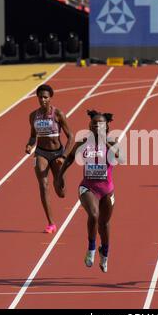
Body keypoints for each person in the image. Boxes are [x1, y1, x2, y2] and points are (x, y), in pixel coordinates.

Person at [57, 110, 120, 273]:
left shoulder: (113, 142)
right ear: (90, 126)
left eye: (101, 123)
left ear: (106, 127)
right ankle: (91, 248)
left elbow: (118, 157)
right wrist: (60, 176)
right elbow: (70, 158)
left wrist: (104, 141)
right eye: (94, 123)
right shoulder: (83, 142)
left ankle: (104, 254)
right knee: (93, 215)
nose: (97, 125)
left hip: (107, 190)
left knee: (104, 224)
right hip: (88, 187)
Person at [25, 84, 74, 233]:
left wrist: (64, 156)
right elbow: (33, 136)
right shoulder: (33, 115)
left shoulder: (58, 114)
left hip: (58, 154)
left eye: (45, 97)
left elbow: (71, 137)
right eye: (40, 97)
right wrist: (29, 145)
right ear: (37, 98)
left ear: (50, 98)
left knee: (61, 193)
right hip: (41, 153)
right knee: (43, 184)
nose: (43, 100)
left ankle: (58, 181)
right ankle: (51, 223)